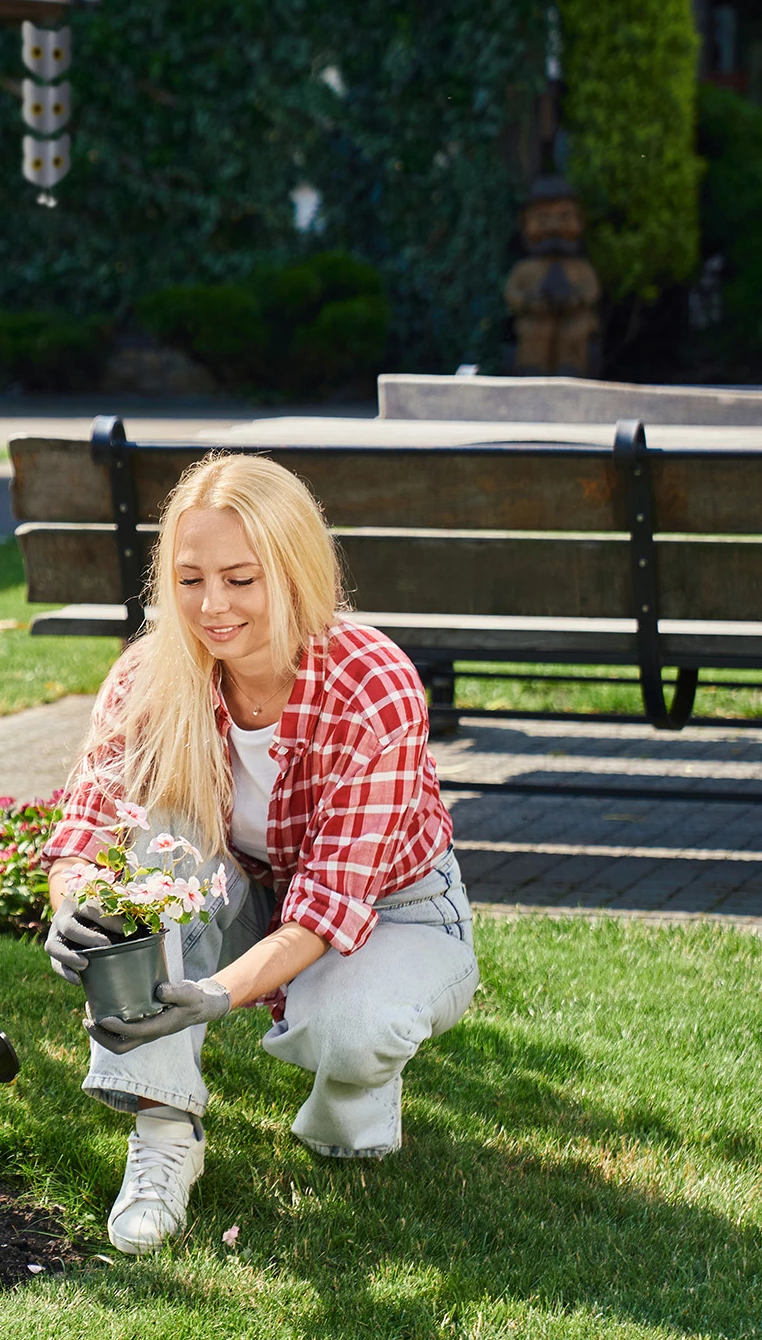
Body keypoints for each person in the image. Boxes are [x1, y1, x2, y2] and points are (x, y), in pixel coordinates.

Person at [41, 454, 475, 1253]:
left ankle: (354, 1088)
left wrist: (212, 995)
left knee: (351, 1028)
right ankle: (165, 1136)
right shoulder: (150, 671)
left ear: (296, 570)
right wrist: (74, 907)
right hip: (243, 891)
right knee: (155, 842)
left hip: (393, 912)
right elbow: (87, 828)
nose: (213, 608)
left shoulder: (371, 681)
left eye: (242, 580)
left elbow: (323, 909)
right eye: (191, 578)